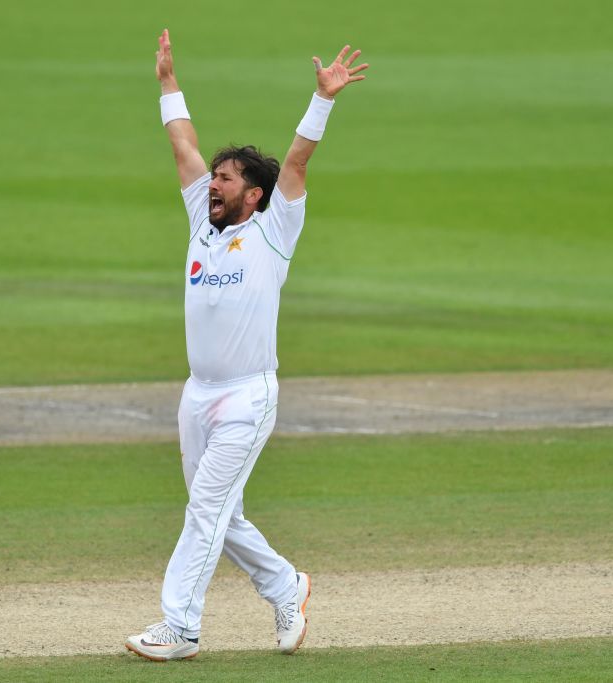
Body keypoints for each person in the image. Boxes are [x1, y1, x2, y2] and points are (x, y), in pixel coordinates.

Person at [125, 30, 368, 662]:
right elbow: (182, 147)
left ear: (251, 195)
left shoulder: (274, 230)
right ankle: (288, 585)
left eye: (225, 179)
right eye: (214, 177)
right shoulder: (198, 224)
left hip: (247, 395)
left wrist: (323, 101)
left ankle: (180, 628)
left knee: (206, 507)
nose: (212, 183)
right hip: (196, 393)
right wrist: (168, 84)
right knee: (220, 516)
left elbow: (296, 164)